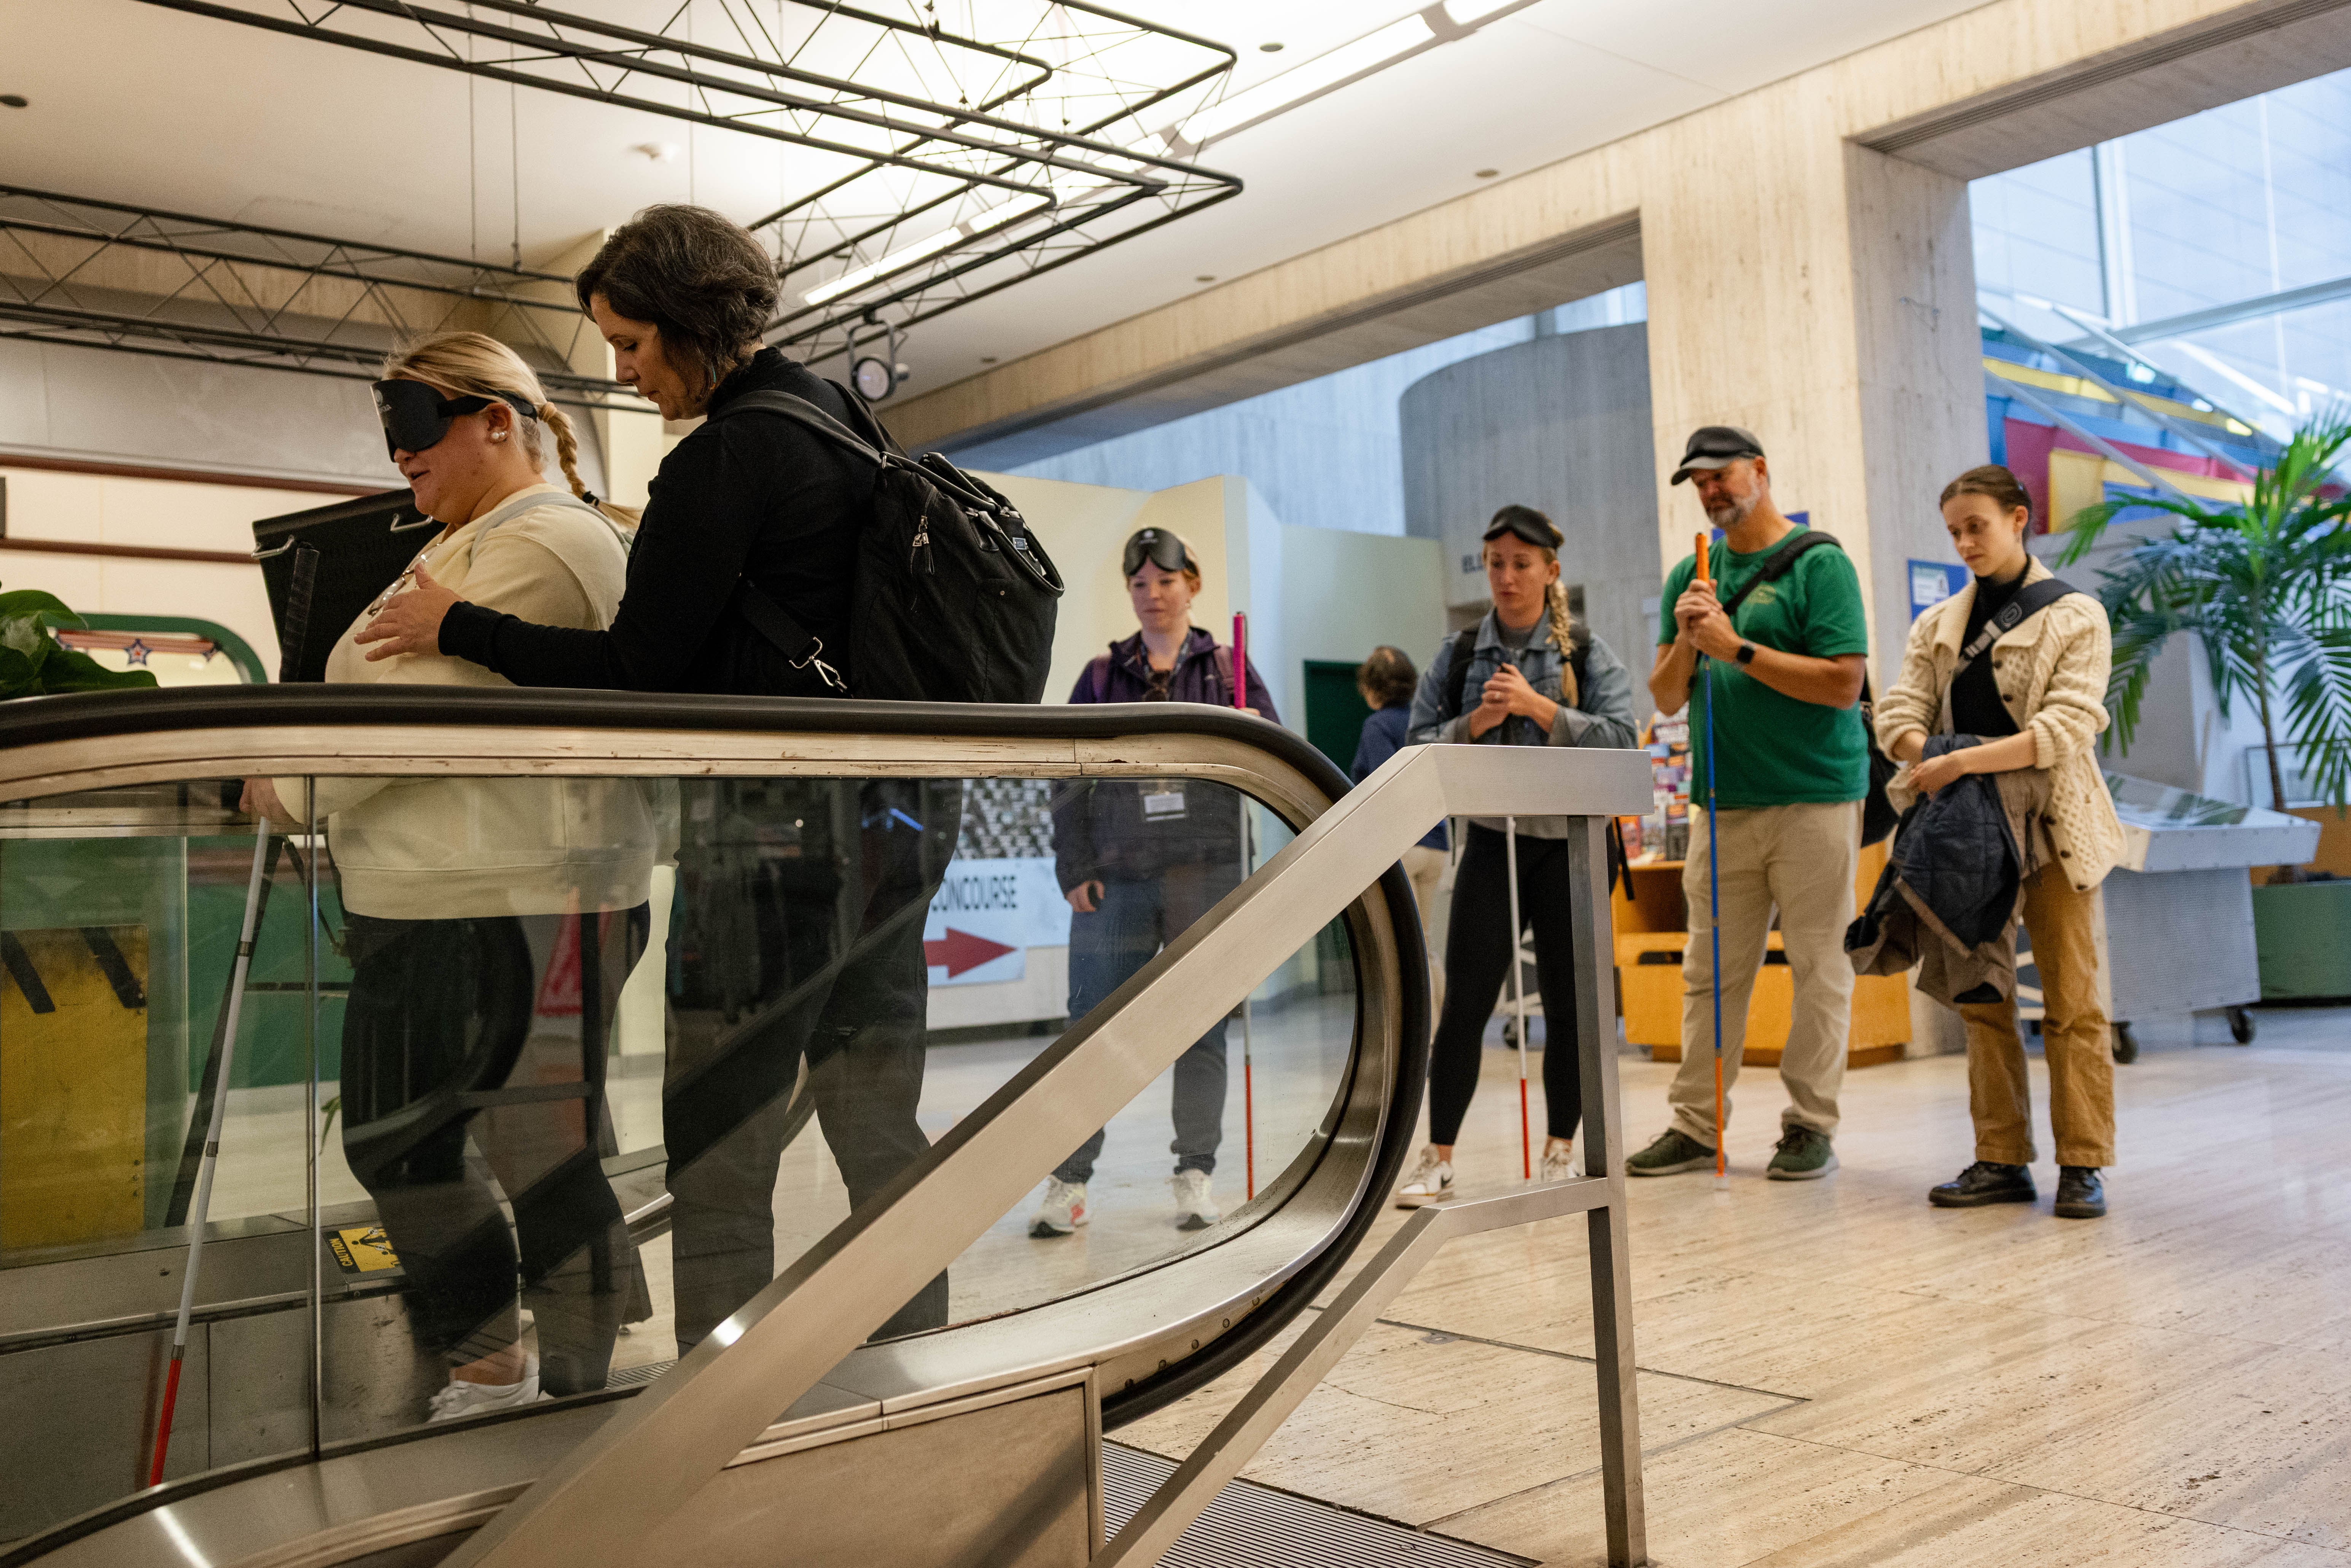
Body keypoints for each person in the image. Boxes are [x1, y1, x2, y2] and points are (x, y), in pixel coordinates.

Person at [353, 204, 951, 1345]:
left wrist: (460, 624)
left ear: (685, 324)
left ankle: (711, 1408)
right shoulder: (837, 416)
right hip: (890, 819)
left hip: (767, 840)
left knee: (720, 1144)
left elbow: (632, 672)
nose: (624, 373)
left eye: (630, 344)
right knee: (877, 1122)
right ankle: (916, 1364)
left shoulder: (724, 454)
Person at [245, 330, 654, 1419]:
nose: (400, 459)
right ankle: (506, 1348)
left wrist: (286, 791)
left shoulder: (548, 543)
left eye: (417, 431)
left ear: (496, 422)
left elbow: (406, 710)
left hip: (504, 904)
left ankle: (544, 1366)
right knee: (443, 1135)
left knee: (512, 1141)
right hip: (446, 901)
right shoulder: (471, 544)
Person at [1875, 465, 2122, 1219]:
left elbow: (2063, 729)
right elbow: (1893, 715)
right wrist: (1933, 752)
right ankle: (1999, 1156)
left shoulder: (2074, 615)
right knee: (1978, 993)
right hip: (1961, 829)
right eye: (1952, 530)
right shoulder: (1936, 624)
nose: (1962, 542)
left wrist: (1954, 758)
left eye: (1975, 525)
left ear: (2018, 519)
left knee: (2070, 997)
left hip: (2051, 826)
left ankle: (2081, 1162)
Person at [1629, 427, 1869, 1182]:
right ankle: (1697, 1123)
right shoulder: (1688, 576)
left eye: (1721, 474)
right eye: (1697, 482)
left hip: (1813, 799)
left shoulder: (1819, 564)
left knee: (1816, 966)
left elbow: (1843, 684)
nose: (1710, 490)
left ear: (1758, 473)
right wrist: (1684, 636)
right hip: (1720, 804)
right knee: (1708, 971)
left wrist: (1734, 647)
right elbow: (1666, 695)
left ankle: (1808, 1124)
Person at [1033, 527, 1280, 1238]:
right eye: (1138, 584)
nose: (1151, 595)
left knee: (1200, 1028)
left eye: (1164, 581)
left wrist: (1250, 726)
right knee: (1090, 1032)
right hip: (1116, 880)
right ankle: (1069, 1181)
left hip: (1204, 878)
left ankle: (1194, 1174)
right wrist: (1073, 868)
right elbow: (1066, 775)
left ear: (1191, 585)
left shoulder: (1229, 670)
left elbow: (1276, 759)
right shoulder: (1102, 677)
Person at [1391, 506, 1638, 1207]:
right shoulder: (1461, 651)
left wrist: (1539, 709)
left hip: (1566, 852)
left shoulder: (1586, 653)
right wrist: (1476, 722)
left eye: (1520, 564)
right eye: (1494, 563)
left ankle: (1561, 1148)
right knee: (1464, 1005)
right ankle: (1437, 1156)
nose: (1505, 576)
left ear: (1549, 573)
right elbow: (1412, 748)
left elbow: (1623, 742)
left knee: (1568, 1008)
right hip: (1488, 846)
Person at [1351, 645, 1448, 1017]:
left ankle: (1412, 1033)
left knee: (1394, 947)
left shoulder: (1376, 726)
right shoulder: (1426, 723)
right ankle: (1437, 1036)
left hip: (1401, 843)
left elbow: (1383, 784)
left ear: (1371, 687)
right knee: (1424, 943)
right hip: (1437, 843)